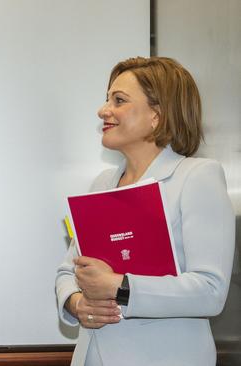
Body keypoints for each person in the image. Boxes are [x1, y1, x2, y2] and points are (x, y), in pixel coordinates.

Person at [55, 57, 235, 365]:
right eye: (107, 99)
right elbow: (68, 271)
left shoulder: (196, 176)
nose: (103, 110)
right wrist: (76, 303)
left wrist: (119, 286)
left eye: (119, 100)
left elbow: (210, 289)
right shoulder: (102, 183)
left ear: (157, 115)